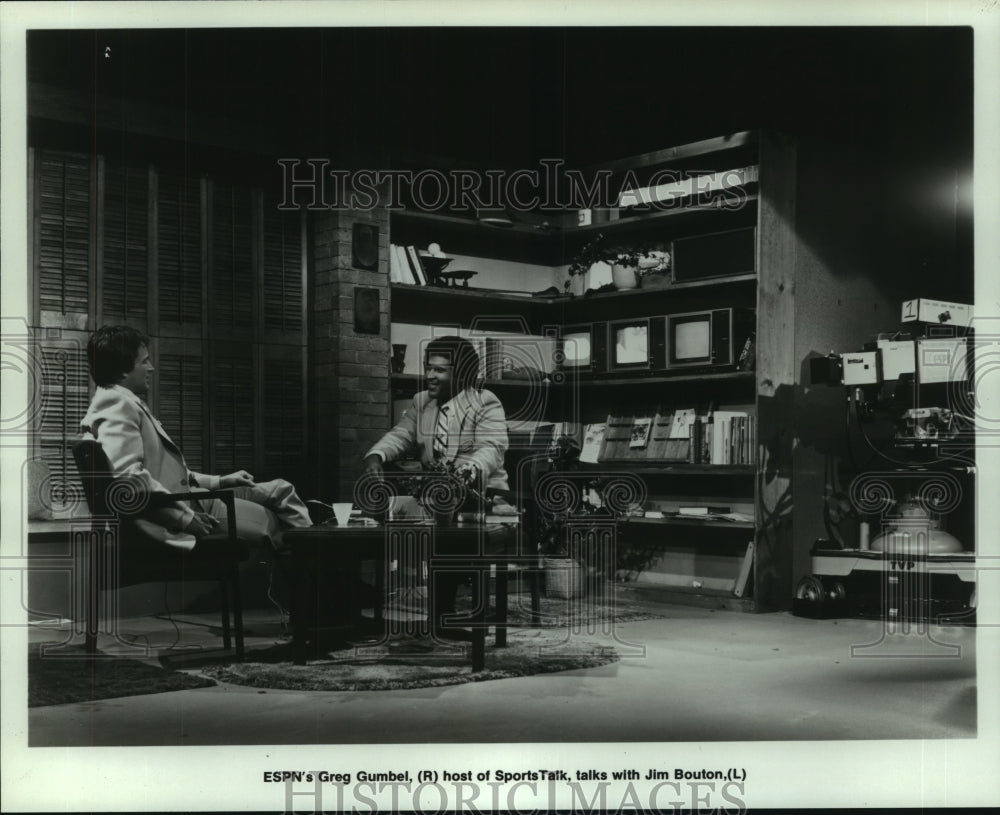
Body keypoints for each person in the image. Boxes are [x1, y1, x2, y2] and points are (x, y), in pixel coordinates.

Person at [80, 325, 312, 551]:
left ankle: (309, 563)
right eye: (144, 361)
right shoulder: (116, 404)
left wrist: (221, 481)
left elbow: (166, 473)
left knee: (281, 490)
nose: (151, 368)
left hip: (195, 497)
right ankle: (313, 571)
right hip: (185, 507)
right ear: (123, 370)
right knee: (276, 522)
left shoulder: (123, 402)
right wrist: (185, 519)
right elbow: (129, 480)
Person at [363, 335, 509, 638]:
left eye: (440, 370)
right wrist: (376, 456)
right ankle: (359, 612)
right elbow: (401, 435)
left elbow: (491, 449)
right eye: (429, 368)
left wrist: (467, 473)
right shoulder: (422, 402)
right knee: (388, 514)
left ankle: (442, 617)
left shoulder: (485, 402)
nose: (431, 375)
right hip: (435, 499)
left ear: (462, 374)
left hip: (482, 498)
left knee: (447, 530)